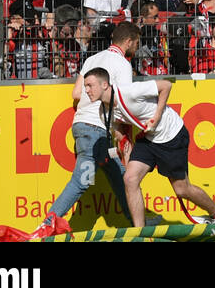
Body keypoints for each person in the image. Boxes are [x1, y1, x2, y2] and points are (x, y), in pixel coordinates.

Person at [81, 68, 215, 227]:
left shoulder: (130, 92)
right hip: (148, 139)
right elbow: (118, 128)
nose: (87, 90)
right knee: (130, 179)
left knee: (181, 189)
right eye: (85, 86)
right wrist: (123, 142)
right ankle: (140, 231)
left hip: (171, 135)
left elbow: (166, 85)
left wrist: (157, 117)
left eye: (90, 85)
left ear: (104, 85)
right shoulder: (103, 112)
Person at [37, 22, 141, 234]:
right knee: (81, 182)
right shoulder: (122, 65)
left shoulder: (93, 59)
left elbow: (76, 94)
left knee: (122, 179)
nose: (137, 48)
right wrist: (123, 135)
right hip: (96, 130)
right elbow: (123, 103)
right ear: (128, 41)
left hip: (84, 125)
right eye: (137, 43)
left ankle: (138, 222)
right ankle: (47, 224)